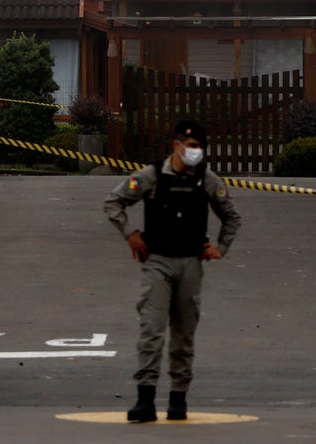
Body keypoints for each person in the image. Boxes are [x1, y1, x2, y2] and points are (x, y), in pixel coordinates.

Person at [103, 119, 242, 422]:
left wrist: (221, 247)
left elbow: (232, 217)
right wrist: (130, 234)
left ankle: (178, 398)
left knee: (184, 332)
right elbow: (114, 202)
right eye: (191, 147)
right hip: (158, 262)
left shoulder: (207, 180)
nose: (196, 153)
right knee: (151, 329)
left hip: (191, 263)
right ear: (177, 146)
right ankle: (145, 398)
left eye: (200, 148)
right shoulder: (151, 176)